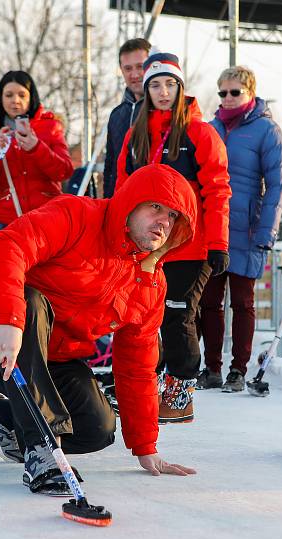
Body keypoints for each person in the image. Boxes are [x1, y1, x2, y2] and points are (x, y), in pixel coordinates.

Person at [0, 164, 198, 495]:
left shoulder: (149, 283)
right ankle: (42, 450)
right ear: (130, 202)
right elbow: (8, 246)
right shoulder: (76, 215)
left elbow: (137, 368)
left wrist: (146, 446)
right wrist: (9, 319)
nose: (163, 221)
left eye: (173, 216)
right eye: (155, 207)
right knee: (32, 302)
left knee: (96, 427)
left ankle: (3, 417)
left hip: (44, 353)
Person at [116, 51, 231, 424]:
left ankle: (181, 396)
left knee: (178, 317)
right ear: (145, 90)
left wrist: (218, 243)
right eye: (155, 85)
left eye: (170, 84)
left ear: (180, 88)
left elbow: (218, 190)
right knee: (141, 318)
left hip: (189, 245)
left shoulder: (200, 133)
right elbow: (122, 188)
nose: (163, 91)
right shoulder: (136, 135)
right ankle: (146, 388)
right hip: (146, 247)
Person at [198, 65, 282, 393]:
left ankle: (238, 369)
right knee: (208, 300)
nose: (228, 98)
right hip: (213, 227)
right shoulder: (211, 129)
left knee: (242, 301)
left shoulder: (267, 131)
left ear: (250, 92)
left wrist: (267, 230)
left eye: (235, 92)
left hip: (247, 228)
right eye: (223, 93)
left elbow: (276, 184)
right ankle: (211, 368)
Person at [0, 70, 72, 236]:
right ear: (0, 98)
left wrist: (37, 147)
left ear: (31, 97)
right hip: (5, 219)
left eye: (22, 95)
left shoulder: (50, 127)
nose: (15, 101)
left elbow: (64, 171)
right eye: (9, 95)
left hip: (45, 217)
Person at [103, 38, 151, 198]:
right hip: (120, 202)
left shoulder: (163, 111)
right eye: (128, 68)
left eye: (140, 66)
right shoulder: (116, 115)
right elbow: (110, 167)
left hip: (153, 205)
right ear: (121, 71)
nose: (135, 74)